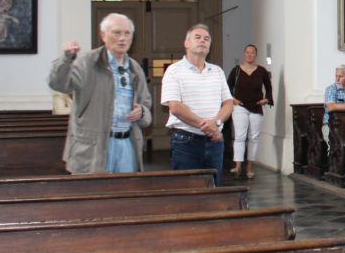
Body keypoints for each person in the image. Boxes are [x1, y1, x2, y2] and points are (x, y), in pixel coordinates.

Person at [48, 13, 152, 174]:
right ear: (103, 35)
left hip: (126, 144)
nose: (122, 38)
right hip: (92, 148)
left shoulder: (134, 68)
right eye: (117, 33)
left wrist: (142, 112)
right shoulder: (87, 62)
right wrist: (66, 60)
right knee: (93, 189)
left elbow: (146, 103)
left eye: (127, 33)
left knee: (126, 189)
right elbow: (59, 84)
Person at [160, 24, 233, 180]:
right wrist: (210, 127)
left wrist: (216, 122)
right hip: (186, 142)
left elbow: (228, 103)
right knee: (187, 189)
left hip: (214, 142)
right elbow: (175, 107)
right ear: (186, 43)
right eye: (197, 37)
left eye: (207, 39)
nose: (202, 41)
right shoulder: (174, 70)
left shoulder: (217, 71)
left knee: (213, 188)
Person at [228, 43, 274, 179]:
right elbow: (227, 87)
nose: (250, 55)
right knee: (239, 137)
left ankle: (249, 167)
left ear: (256, 55)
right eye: (247, 52)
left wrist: (266, 99)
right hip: (240, 106)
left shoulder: (262, 71)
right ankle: (238, 166)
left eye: (252, 52)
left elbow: (269, 88)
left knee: (253, 137)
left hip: (256, 106)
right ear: (244, 54)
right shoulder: (236, 70)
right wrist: (233, 99)